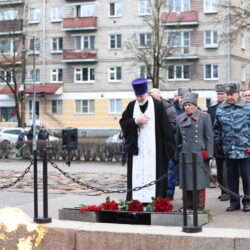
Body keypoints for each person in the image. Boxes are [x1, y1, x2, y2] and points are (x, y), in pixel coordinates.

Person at [119, 78, 175, 203]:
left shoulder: (157, 105)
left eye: (141, 96)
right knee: (136, 177)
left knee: (156, 177)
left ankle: (157, 202)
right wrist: (135, 121)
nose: (139, 99)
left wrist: (169, 150)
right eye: (137, 96)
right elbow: (123, 122)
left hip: (156, 151)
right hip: (137, 150)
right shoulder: (132, 105)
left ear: (146, 93)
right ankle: (135, 201)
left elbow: (166, 129)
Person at [214, 82, 250, 212]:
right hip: (228, 149)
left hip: (246, 149)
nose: (229, 97)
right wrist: (218, 144)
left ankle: (248, 202)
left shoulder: (248, 106)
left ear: (238, 93)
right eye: (227, 94)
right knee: (231, 177)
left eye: (232, 94)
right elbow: (217, 128)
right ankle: (234, 202)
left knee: (247, 177)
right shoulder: (221, 108)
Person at [176, 92, 214, 210]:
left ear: (195, 105)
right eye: (185, 105)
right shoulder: (179, 118)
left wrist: (209, 154)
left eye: (190, 105)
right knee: (186, 181)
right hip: (185, 154)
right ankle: (187, 205)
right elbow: (177, 139)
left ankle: (199, 206)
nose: (187, 107)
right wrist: (177, 155)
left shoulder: (204, 117)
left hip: (199, 155)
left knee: (199, 181)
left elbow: (209, 137)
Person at [149, 88, 177, 200]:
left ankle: (168, 194)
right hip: (152, 146)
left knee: (169, 172)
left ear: (160, 98)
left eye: (155, 99)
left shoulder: (169, 109)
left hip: (166, 146)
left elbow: (173, 127)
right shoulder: (149, 108)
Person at [208, 84, 230, 201]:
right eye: (219, 94)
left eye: (222, 94)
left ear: (227, 95)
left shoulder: (230, 107)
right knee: (219, 168)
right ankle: (223, 190)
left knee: (226, 169)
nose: (220, 96)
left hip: (228, 142)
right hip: (216, 142)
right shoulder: (212, 109)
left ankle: (228, 192)